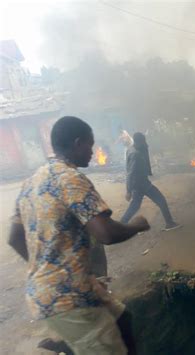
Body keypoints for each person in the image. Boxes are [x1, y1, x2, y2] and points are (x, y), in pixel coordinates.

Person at [8, 116, 150, 355]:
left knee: (123, 319)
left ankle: (67, 345)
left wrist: (45, 266)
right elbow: (106, 233)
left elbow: (14, 238)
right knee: (104, 346)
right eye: (90, 146)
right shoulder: (71, 179)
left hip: (60, 289)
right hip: (68, 299)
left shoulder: (32, 181)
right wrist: (136, 225)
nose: (93, 152)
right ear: (77, 143)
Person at [120, 132, 181, 231]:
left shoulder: (131, 149)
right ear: (139, 142)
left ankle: (121, 225)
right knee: (161, 200)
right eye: (143, 141)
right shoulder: (135, 154)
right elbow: (130, 173)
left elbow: (130, 170)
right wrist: (128, 191)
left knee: (135, 205)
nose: (145, 143)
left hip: (138, 184)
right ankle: (169, 223)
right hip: (142, 183)